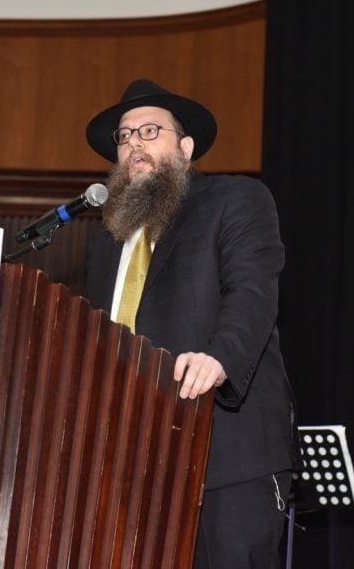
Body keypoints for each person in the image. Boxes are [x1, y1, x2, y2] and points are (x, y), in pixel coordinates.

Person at [83, 79, 296, 568]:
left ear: (186, 147)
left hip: (226, 451)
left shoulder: (234, 199)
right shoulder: (105, 242)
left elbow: (252, 291)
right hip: (133, 465)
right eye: (124, 136)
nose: (133, 143)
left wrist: (219, 357)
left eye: (149, 131)